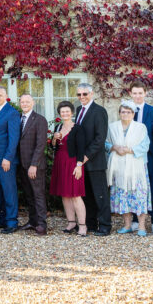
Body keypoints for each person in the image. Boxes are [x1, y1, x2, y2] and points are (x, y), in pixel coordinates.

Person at [106, 101, 151, 236]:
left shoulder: (140, 127)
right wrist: (115, 147)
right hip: (118, 166)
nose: (125, 114)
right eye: (123, 112)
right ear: (119, 113)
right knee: (122, 195)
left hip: (136, 166)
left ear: (133, 114)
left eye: (128, 112)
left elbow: (145, 145)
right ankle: (127, 225)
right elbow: (106, 142)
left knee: (139, 195)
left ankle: (142, 226)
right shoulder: (112, 127)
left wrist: (130, 150)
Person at [74, 83, 111, 236]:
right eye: (79, 94)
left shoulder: (99, 111)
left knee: (100, 195)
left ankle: (105, 225)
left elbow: (100, 139)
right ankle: (90, 223)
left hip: (95, 161)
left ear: (92, 94)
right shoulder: (78, 110)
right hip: (82, 161)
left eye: (85, 94)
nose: (82, 97)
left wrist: (85, 157)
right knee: (87, 195)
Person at [49, 101, 88, 236]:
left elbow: (81, 149)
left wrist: (79, 166)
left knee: (75, 195)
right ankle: (71, 222)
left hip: (73, 163)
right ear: (59, 113)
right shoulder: (58, 127)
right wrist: (54, 138)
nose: (65, 113)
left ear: (72, 113)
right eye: (62, 111)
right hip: (60, 162)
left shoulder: (78, 128)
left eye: (67, 111)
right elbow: (53, 147)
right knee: (65, 196)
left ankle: (82, 225)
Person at [129, 83, 153, 234]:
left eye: (140, 93)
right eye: (135, 93)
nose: (137, 96)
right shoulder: (127, 110)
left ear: (145, 93)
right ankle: (136, 220)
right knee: (135, 188)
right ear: (130, 94)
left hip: (150, 156)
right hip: (131, 158)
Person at [0, 86, 21, 234]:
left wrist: (8, 157)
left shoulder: (12, 113)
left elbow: (14, 139)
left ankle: (12, 222)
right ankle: (2, 219)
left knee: (9, 191)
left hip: (5, 160)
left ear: (6, 96)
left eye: (0, 95)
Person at [16, 94, 50, 235]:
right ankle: (33, 221)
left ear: (33, 103)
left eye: (27, 102)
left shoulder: (40, 120)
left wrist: (34, 164)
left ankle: (42, 224)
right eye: (22, 102)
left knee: (38, 194)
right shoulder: (19, 119)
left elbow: (41, 144)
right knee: (29, 195)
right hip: (22, 164)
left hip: (34, 165)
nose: (24, 104)